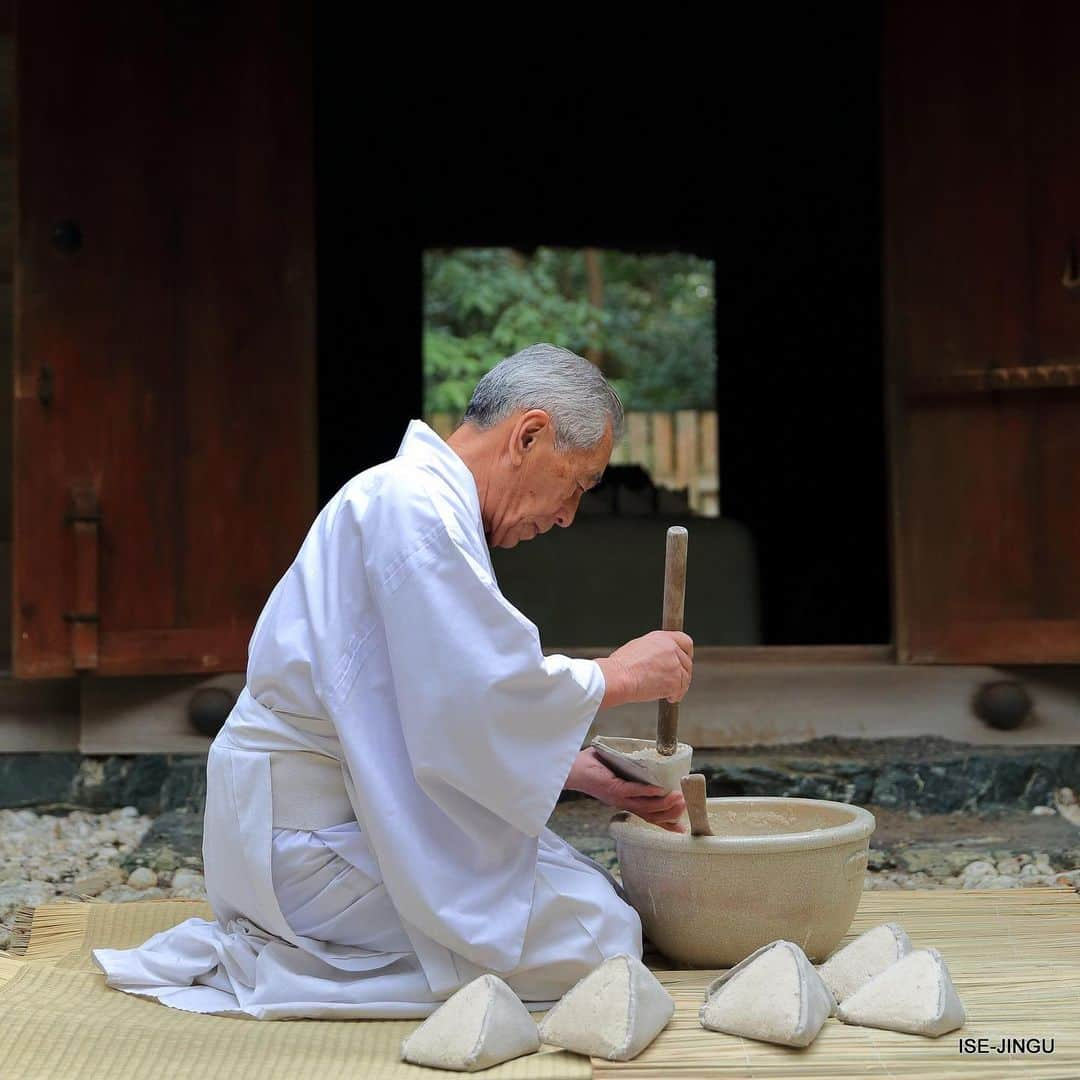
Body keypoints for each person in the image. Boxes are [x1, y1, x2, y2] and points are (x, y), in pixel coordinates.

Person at [93, 343, 694, 1019]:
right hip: (305, 845)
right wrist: (619, 674)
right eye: (577, 485)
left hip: (303, 826)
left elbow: (418, 718)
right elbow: (480, 694)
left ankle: (318, 949)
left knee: (590, 895)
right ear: (529, 435)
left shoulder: (415, 502)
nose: (566, 516)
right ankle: (299, 967)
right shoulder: (415, 510)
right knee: (603, 939)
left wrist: (577, 772)